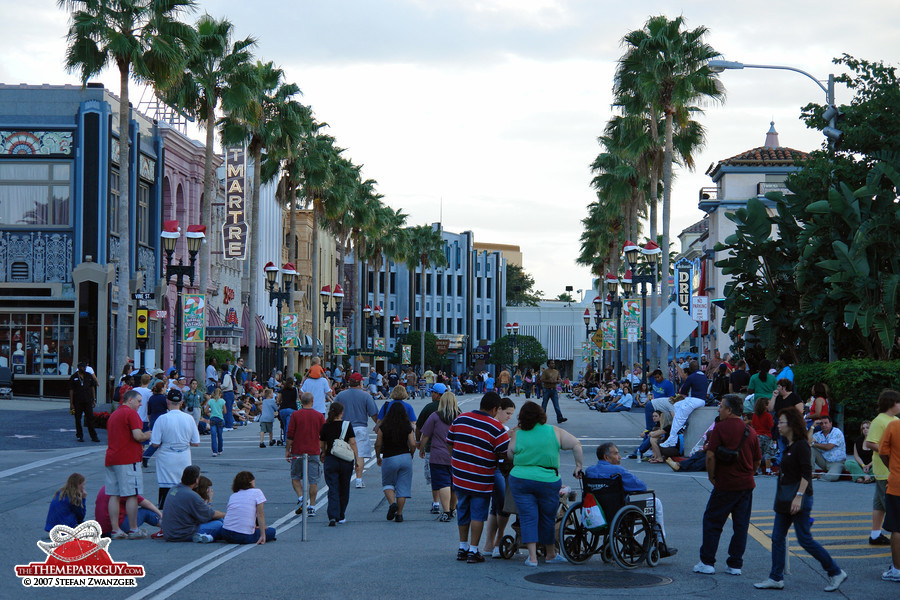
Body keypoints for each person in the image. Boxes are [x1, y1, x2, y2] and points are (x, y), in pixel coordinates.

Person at [754, 408, 848, 592]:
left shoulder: (801, 445)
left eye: (781, 422)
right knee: (777, 538)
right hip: (784, 498)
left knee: (805, 539)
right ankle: (776, 578)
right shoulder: (788, 444)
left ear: (792, 424)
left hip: (798, 498)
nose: (778, 425)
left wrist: (799, 497)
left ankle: (836, 572)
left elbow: (806, 472)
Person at [507, 401, 583, 566]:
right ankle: (550, 554)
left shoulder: (518, 433)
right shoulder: (554, 431)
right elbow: (576, 444)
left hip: (521, 479)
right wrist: (578, 466)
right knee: (548, 518)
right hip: (548, 480)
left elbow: (510, 454)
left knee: (528, 517)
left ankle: (532, 557)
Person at [694, 394, 761, 576]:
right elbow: (757, 460)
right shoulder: (750, 431)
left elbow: (710, 455)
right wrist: (748, 474)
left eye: (721, 406)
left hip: (725, 484)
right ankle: (735, 564)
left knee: (712, 522)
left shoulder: (720, 429)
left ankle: (707, 562)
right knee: (741, 526)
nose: (719, 409)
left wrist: (712, 476)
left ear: (730, 410)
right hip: (746, 485)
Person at [447, 392, 510, 563]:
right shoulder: (496, 428)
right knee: (478, 515)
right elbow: (503, 454)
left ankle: (462, 547)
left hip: (460, 475)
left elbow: (449, 442)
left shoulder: (460, 418)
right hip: (481, 478)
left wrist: (457, 460)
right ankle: (473, 551)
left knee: (463, 510)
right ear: (496, 408)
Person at [586, 443, 675, 557]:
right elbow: (641, 487)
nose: (619, 457)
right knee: (655, 502)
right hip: (617, 511)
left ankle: (630, 544)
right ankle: (660, 543)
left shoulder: (589, 471)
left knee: (623, 505)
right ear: (606, 457)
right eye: (616, 453)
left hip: (596, 512)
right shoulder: (618, 471)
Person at [105, 390, 152, 540]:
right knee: (132, 494)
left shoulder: (114, 414)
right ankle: (133, 528)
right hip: (128, 459)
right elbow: (138, 435)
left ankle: (115, 529)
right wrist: (149, 434)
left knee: (114, 494)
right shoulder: (131, 414)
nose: (140, 404)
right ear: (130, 400)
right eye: (138, 401)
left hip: (112, 457)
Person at [149, 389, 200, 508]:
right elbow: (196, 442)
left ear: (167, 401)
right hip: (184, 457)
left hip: (167, 457)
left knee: (166, 489)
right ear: (181, 402)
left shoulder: (162, 419)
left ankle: (166, 518)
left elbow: (155, 443)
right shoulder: (189, 418)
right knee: (185, 486)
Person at [420, 391, 461, 522]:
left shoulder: (435, 416)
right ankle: (453, 509)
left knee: (443, 483)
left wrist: (421, 448)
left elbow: (425, 435)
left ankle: (446, 511)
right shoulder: (460, 417)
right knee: (454, 484)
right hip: (456, 456)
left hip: (438, 455)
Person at [865, 389, 900, 546]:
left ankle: (875, 534)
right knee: (888, 504)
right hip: (885, 469)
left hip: (886, 468)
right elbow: (870, 442)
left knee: (879, 504)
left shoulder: (893, 419)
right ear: (891, 403)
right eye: (898, 402)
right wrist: (891, 451)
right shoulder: (880, 421)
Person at [333, 372, 377, 488]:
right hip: (360, 427)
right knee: (359, 454)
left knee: (344, 453)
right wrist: (378, 425)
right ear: (360, 383)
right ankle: (358, 479)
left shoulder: (341, 395)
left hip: (344, 427)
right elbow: (373, 413)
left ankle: (344, 479)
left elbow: (333, 411)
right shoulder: (366, 396)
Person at [285, 392, 326, 516]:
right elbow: (323, 435)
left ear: (301, 401)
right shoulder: (319, 416)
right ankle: (312, 506)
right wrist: (323, 450)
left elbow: (290, 434)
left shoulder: (295, 415)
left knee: (295, 477)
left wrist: (288, 449)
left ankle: (301, 497)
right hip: (313, 451)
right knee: (313, 480)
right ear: (312, 401)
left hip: (298, 450)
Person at [376, 402, 417, 523]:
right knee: (403, 487)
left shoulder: (384, 427)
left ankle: (392, 503)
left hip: (389, 457)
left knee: (388, 483)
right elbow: (413, 444)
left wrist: (378, 456)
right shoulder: (407, 426)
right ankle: (399, 514)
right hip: (405, 456)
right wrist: (411, 453)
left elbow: (378, 444)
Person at [161, 465, 225, 543]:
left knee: (220, 520)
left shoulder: (173, 489)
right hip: (183, 534)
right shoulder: (191, 495)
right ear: (196, 480)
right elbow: (209, 515)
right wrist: (226, 514)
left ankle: (209, 536)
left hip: (169, 532)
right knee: (219, 524)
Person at [320, 401, 359, 526]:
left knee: (333, 487)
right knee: (344, 487)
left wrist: (323, 453)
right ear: (342, 412)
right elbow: (352, 442)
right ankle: (341, 515)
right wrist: (357, 458)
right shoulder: (347, 425)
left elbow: (322, 443)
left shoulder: (325, 426)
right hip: (345, 460)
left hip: (331, 458)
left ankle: (332, 515)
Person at [416, 382, 448, 514]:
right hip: (452, 450)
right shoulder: (454, 409)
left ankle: (436, 503)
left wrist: (419, 444)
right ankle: (451, 505)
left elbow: (419, 427)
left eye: (433, 392)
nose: (431, 395)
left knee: (434, 477)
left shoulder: (429, 408)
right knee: (450, 478)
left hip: (432, 448)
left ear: (438, 394)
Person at [221, 471, 275, 544]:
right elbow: (260, 514)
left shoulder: (233, 495)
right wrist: (262, 535)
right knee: (271, 531)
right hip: (243, 535)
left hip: (226, 533)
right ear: (250, 481)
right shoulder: (257, 492)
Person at [878, 413, 900, 582]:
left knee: (897, 528)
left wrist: (892, 468)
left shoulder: (894, 426)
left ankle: (897, 570)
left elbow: (882, 452)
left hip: (897, 484)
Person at [810, 415, 846, 482]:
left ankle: (819, 475)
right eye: (821, 423)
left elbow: (828, 447)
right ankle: (811, 473)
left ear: (831, 423)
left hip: (837, 462)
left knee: (833, 477)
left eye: (826, 423)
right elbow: (807, 441)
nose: (823, 425)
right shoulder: (818, 434)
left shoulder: (836, 432)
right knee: (810, 449)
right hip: (824, 461)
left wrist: (813, 444)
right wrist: (812, 427)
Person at [69, 362, 98, 443]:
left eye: (85, 367)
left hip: (88, 401)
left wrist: (94, 399)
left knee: (90, 418)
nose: (84, 368)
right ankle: (79, 436)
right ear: (78, 367)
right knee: (78, 419)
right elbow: (71, 390)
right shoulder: (74, 377)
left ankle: (94, 436)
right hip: (77, 402)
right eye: (82, 367)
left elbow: (92, 388)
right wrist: (71, 403)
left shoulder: (88, 376)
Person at [751, 395, 775, 476]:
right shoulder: (768, 415)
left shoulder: (755, 415)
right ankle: (768, 470)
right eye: (768, 404)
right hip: (767, 435)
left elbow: (753, 425)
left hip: (757, 436)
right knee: (768, 454)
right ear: (765, 406)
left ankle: (756, 470)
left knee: (758, 454)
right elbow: (771, 426)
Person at [277, 377, 299, 445]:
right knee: (289, 426)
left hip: (283, 409)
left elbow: (278, 400)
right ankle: (287, 441)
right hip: (292, 409)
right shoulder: (295, 389)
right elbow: (297, 399)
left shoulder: (282, 390)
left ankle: (285, 439)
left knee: (284, 425)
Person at [207, 387, 225, 457]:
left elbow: (205, 410)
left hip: (213, 418)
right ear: (220, 394)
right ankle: (220, 449)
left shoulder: (211, 401)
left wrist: (211, 411)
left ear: (213, 394)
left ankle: (214, 451)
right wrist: (220, 411)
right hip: (220, 418)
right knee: (220, 435)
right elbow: (225, 411)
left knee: (213, 435)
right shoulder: (222, 401)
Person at [220, 363, 236, 430]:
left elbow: (225, 385)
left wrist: (220, 386)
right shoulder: (229, 374)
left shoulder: (226, 375)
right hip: (231, 393)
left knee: (227, 410)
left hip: (227, 393)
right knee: (229, 410)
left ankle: (228, 425)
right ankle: (230, 424)